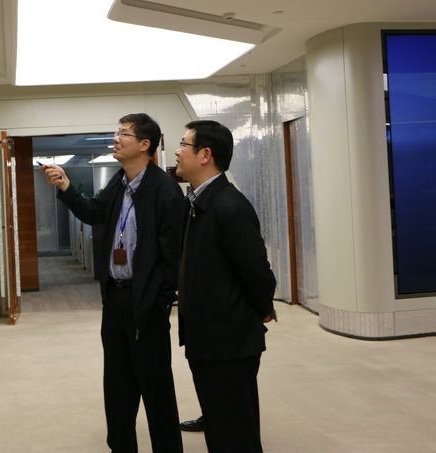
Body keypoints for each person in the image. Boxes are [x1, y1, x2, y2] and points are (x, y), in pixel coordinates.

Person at [42, 113, 184, 453]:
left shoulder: (165, 191)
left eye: (124, 134)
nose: (116, 139)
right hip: (115, 300)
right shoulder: (119, 182)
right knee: (117, 385)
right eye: (117, 133)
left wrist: (159, 301)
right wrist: (65, 185)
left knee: (156, 388)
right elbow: (94, 212)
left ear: (145, 145)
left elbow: (173, 256)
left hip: (147, 303)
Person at [173, 120, 277, 453]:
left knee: (235, 434)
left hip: (227, 342)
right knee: (220, 428)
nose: (177, 151)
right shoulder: (198, 202)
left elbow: (258, 273)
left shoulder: (229, 206)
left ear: (205, 155)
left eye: (183, 144)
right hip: (207, 338)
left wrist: (262, 309)